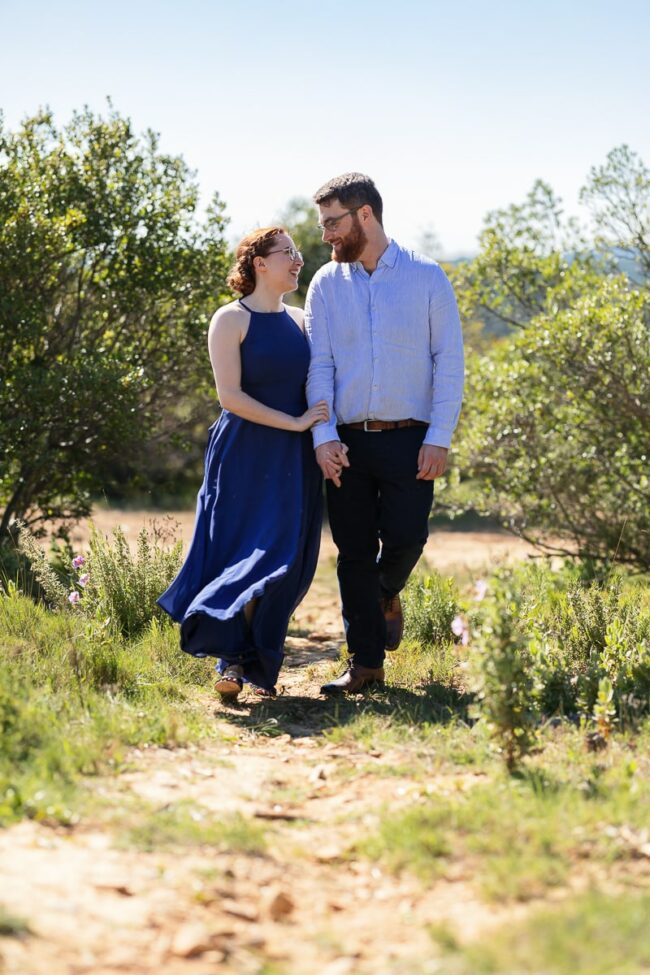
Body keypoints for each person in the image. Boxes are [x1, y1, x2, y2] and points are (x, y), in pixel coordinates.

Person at [305, 173, 464, 695]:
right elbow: (320, 365)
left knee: (406, 537)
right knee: (351, 553)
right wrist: (323, 435)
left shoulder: (427, 277)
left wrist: (439, 436)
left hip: (410, 439)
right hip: (346, 440)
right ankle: (365, 665)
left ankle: (384, 593)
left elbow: (450, 363)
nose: (327, 235)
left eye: (333, 222)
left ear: (364, 215)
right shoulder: (326, 284)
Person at [158, 227, 327, 700]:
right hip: (244, 455)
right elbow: (229, 397)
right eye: (287, 253)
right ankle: (231, 661)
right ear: (258, 263)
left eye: (296, 253)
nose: (297, 260)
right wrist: (294, 423)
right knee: (245, 555)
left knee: (283, 561)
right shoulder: (229, 320)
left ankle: (256, 661)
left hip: (293, 459)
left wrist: (315, 433)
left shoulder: (300, 320)